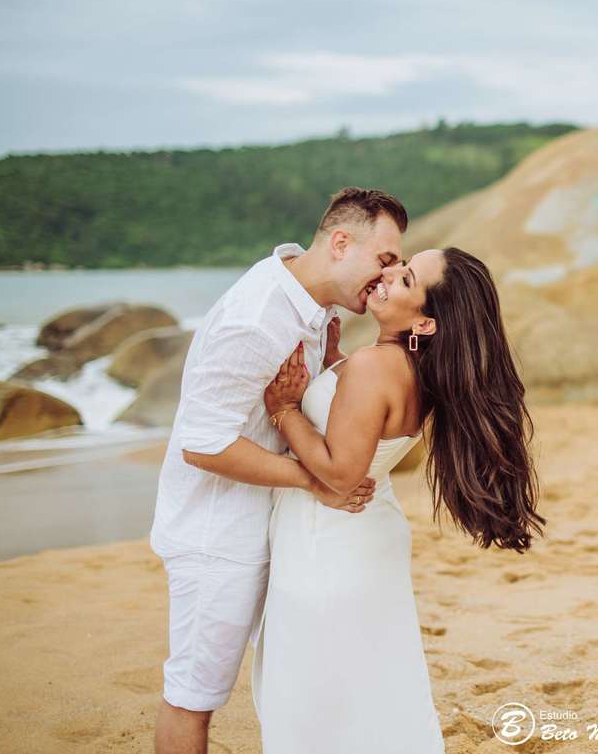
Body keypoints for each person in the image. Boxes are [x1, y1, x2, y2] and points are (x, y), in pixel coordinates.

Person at [252, 247, 546, 753]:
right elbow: (364, 427)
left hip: (331, 539)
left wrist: (284, 411)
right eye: (399, 263)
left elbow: (342, 475)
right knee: (368, 680)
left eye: (405, 278)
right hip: (363, 534)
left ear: (426, 324)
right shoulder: (405, 367)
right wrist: (331, 366)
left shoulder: (374, 366)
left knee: (314, 693)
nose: (387, 273)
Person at [151, 188, 408, 754]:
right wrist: (315, 482)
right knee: (195, 695)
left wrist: (329, 361)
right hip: (216, 535)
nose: (387, 276)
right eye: (384, 260)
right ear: (341, 243)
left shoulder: (312, 305)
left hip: (271, 528)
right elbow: (203, 443)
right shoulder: (257, 319)